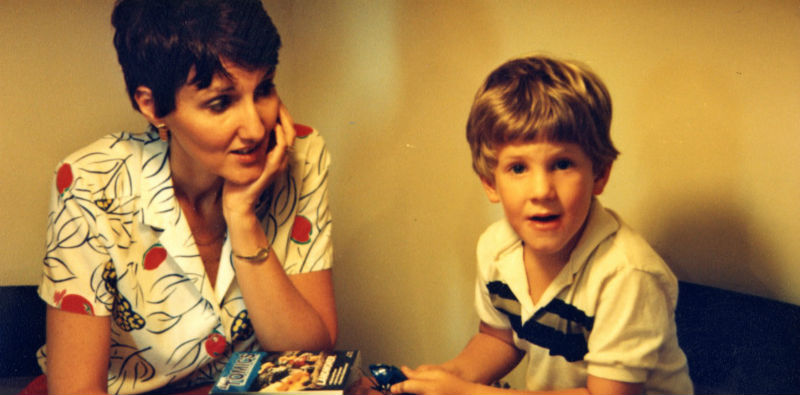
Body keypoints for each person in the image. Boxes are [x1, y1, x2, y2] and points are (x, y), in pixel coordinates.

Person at [34, 1, 337, 394]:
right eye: (221, 102)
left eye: (263, 89)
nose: (256, 128)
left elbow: (309, 357)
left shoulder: (300, 154)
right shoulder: (90, 183)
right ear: (151, 104)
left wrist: (242, 217)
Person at [391, 56, 693, 394]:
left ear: (600, 174)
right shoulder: (496, 249)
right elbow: (499, 337)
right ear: (490, 183)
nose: (541, 191)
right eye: (518, 168)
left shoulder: (626, 276)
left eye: (562, 164)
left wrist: (469, 393)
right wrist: (451, 375)